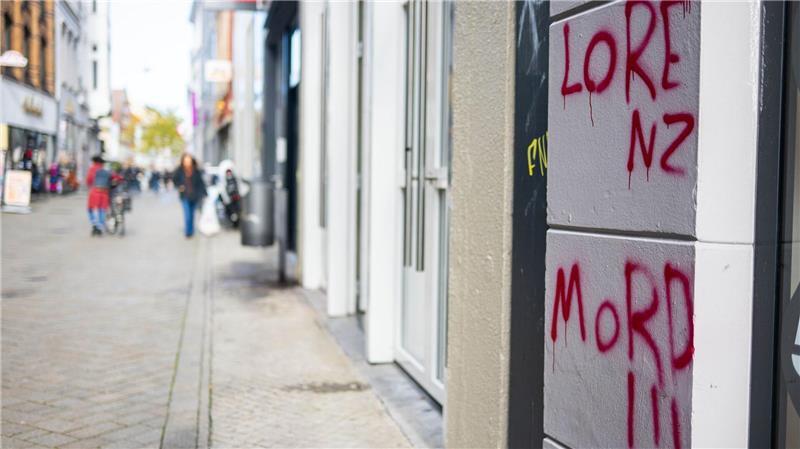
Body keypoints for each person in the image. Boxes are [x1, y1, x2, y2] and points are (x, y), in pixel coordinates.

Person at [172, 153, 206, 238]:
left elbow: (201, 183)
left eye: (189, 161)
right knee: (187, 214)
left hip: (194, 196)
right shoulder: (179, 170)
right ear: (183, 161)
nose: (187, 162)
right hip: (185, 196)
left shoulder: (196, 171)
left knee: (192, 214)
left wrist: (204, 193)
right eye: (186, 161)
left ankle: (191, 230)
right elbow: (174, 179)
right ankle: (188, 232)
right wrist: (179, 186)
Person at [86, 155, 111, 236]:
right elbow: (113, 178)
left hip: (94, 192)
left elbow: (89, 180)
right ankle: (100, 226)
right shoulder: (105, 170)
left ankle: (94, 224)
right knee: (102, 210)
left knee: (90, 209)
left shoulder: (92, 169)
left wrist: (90, 186)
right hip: (104, 193)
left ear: (94, 162)